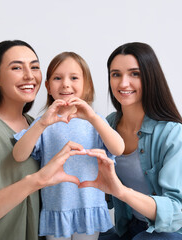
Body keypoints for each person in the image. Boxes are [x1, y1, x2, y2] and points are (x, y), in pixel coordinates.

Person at [0, 40, 86, 240]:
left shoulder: (39, 125)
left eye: (34, 67)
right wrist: (35, 181)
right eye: (16, 67)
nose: (29, 75)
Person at [78, 42, 182, 240]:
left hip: (177, 233)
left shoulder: (171, 132)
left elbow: (176, 210)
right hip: (133, 227)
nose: (123, 83)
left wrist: (121, 192)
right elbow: (103, 194)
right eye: (116, 74)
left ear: (150, 78)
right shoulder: (108, 125)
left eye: (135, 74)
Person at [12, 52, 125, 240]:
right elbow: (19, 155)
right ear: (48, 87)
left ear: (86, 84)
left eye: (73, 78)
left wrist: (94, 118)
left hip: (88, 206)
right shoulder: (44, 123)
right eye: (57, 78)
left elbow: (118, 149)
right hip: (57, 207)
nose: (65, 83)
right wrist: (41, 124)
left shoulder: (95, 121)